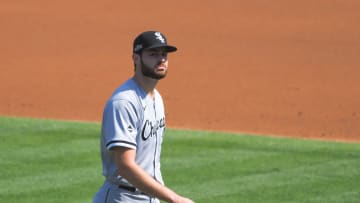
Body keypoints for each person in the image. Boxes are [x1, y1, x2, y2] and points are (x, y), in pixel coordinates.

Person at [93, 31, 194, 203]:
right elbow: (125, 166)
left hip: (149, 197)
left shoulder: (157, 98)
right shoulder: (124, 102)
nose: (161, 59)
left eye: (164, 54)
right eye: (153, 54)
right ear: (136, 58)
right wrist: (174, 198)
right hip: (123, 197)